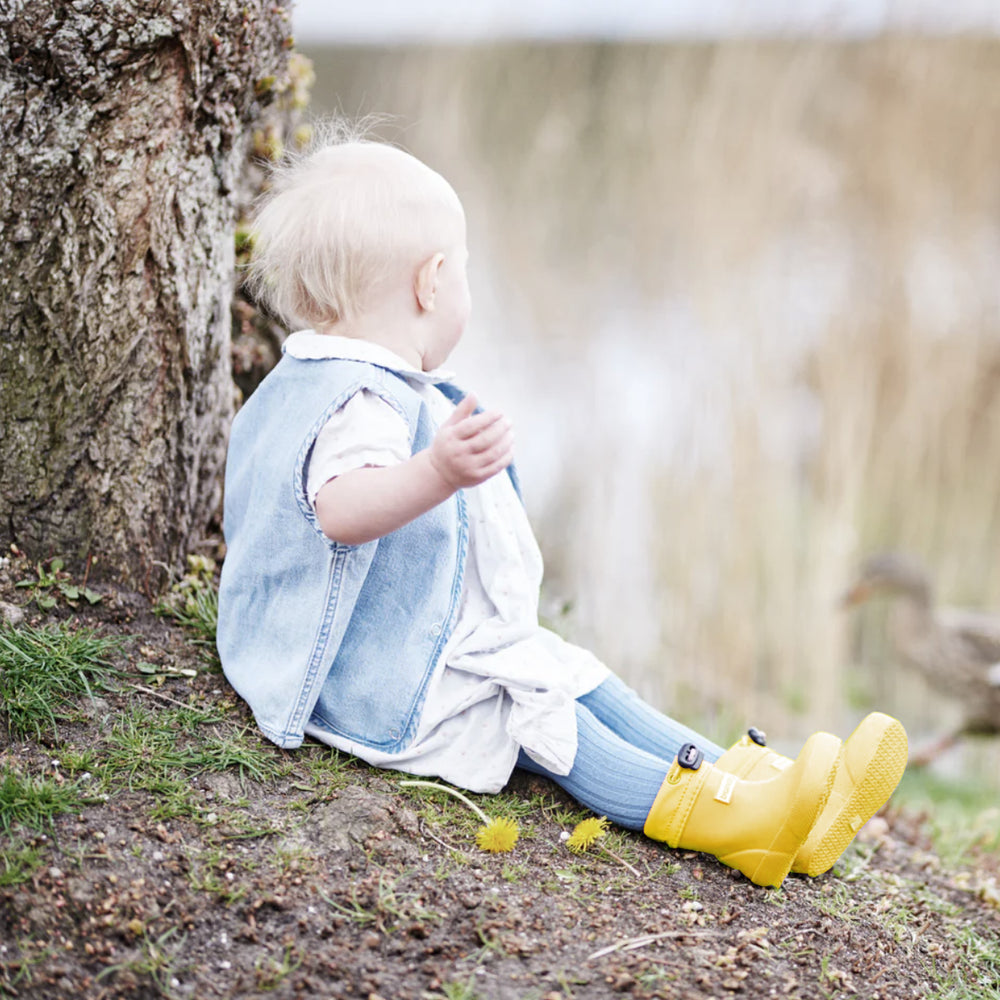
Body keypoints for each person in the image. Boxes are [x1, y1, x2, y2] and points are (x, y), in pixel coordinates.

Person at [217, 124, 908, 889]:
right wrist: (438, 471)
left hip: (408, 644)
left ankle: (759, 789)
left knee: (574, 672)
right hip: (372, 681)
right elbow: (341, 510)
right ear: (432, 283)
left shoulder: (324, 377)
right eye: (468, 275)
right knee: (543, 708)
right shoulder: (357, 401)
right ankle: (736, 822)